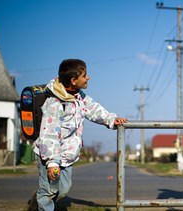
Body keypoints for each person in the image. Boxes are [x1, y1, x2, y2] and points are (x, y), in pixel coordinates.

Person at [28, 59, 128, 211]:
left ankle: (38, 201)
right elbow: (48, 135)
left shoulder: (79, 97)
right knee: (49, 191)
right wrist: (52, 162)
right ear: (73, 80)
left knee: (63, 189)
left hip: (67, 155)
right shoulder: (55, 103)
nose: (88, 78)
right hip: (49, 155)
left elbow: (94, 110)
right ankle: (42, 201)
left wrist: (112, 119)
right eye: (84, 75)